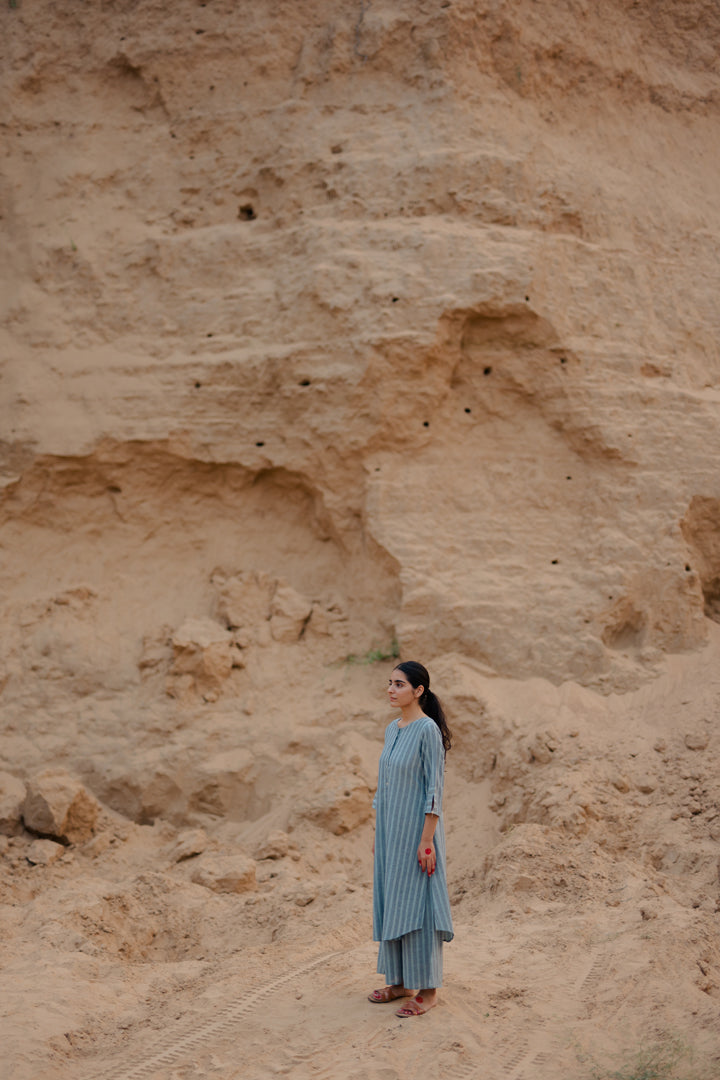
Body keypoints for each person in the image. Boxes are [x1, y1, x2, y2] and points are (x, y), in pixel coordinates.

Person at [368, 660, 453, 1018]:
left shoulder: (427, 730)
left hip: (419, 834)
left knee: (419, 905)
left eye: (399, 684)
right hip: (392, 833)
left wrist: (427, 840)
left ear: (419, 691)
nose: (391, 689)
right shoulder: (393, 729)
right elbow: (385, 785)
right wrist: (380, 832)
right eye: (390, 683)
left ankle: (428, 991)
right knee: (394, 901)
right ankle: (401, 982)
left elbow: (434, 788)